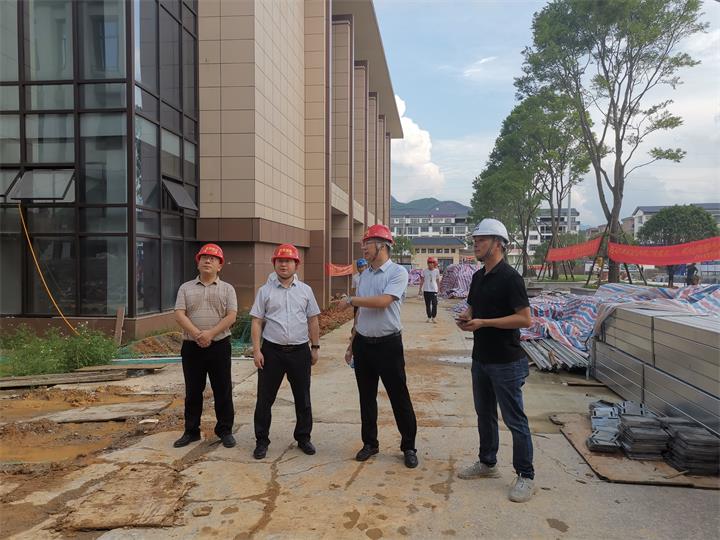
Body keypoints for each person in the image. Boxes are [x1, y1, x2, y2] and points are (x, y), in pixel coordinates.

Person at [455, 218, 535, 503]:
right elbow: (473, 306)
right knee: (485, 414)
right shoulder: (479, 277)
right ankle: (487, 463)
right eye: (475, 240)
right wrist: (467, 317)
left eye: (482, 240)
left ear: (498, 244)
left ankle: (525, 475)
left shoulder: (511, 278)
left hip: (506, 362)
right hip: (481, 358)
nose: (476, 244)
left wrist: (484, 322)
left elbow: (524, 319)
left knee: (515, 420)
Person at [343, 224, 419, 469]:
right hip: (364, 344)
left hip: (388, 345)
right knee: (366, 397)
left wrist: (352, 300)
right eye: (364, 243)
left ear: (382, 246)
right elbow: (360, 313)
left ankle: (409, 446)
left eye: (368, 243)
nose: (364, 248)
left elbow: (384, 301)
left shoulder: (397, 272)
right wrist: (352, 343)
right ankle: (370, 443)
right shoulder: (364, 276)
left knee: (399, 396)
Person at [250, 243, 321, 460]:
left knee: (303, 397)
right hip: (272, 352)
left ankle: (303, 437)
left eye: (288, 261)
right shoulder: (265, 291)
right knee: (265, 399)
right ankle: (262, 441)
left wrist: (315, 347)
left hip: (300, 351)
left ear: (296, 265)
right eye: (280, 261)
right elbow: (256, 321)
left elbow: (313, 320)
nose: (283, 264)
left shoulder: (306, 291)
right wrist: (256, 350)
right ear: (274, 264)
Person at [174, 243, 238, 449]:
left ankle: (225, 430)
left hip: (219, 346)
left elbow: (231, 316)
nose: (208, 260)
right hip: (191, 346)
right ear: (198, 263)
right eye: (204, 257)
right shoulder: (185, 288)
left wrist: (210, 334)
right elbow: (179, 314)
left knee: (223, 389)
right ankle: (191, 431)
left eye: (213, 258)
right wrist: (196, 334)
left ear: (220, 265)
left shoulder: (227, 289)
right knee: (193, 390)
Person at [418, 256, 440, 323]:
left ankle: (434, 317)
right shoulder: (424, 271)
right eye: (429, 263)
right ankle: (429, 317)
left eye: (432, 263)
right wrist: (420, 289)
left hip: (434, 290)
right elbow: (422, 280)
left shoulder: (436, 271)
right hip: (426, 290)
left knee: (434, 304)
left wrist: (439, 289)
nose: (430, 264)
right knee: (427, 305)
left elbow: (437, 280)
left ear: (434, 264)